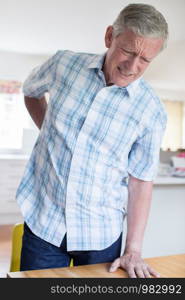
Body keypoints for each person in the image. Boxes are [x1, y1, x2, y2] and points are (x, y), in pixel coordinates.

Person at [16, 3, 168, 278]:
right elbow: (31, 91)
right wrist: (47, 129)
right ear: (110, 37)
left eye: (145, 60)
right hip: (45, 223)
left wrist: (133, 249)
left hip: (101, 234)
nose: (133, 66)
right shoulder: (63, 64)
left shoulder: (151, 110)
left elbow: (141, 181)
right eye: (128, 51)